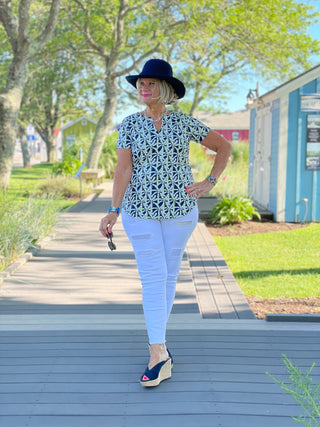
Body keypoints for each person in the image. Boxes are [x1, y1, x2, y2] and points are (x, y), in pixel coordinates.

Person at [99, 58, 232, 387]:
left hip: (180, 213)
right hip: (139, 212)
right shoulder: (129, 124)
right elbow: (123, 170)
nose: (143, 88)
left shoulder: (184, 123)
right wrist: (113, 209)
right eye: (140, 83)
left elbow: (224, 146)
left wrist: (209, 182)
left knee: (169, 274)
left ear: (166, 89)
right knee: (154, 275)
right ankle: (157, 351)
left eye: (150, 83)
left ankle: (161, 345)